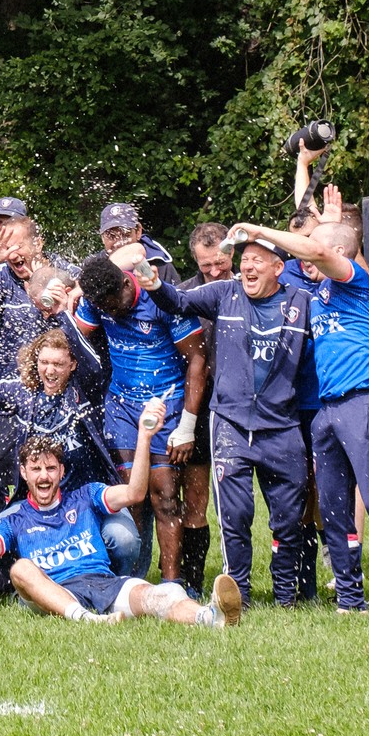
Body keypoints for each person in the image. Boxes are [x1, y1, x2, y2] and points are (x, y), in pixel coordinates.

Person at [220, 219, 369, 617]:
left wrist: (259, 232)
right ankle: (350, 600)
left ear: (337, 254)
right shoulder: (317, 294)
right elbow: (304, 254)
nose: (303, 253)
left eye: (313, 246)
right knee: (332, 509)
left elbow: (317, 250)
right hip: (327, 411)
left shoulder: (357, 282)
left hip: (366, 400)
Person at [0, 410, 244, 629]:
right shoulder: (14, 518)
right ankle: (85, 619)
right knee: (22, 568)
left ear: (61, 472)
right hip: (54, 590)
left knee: (157, 594)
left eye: (50, 468)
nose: (43, 476)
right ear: (24, 473)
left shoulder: (85, 495)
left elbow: (134, 493)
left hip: (103, 583)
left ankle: (209, 617)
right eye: (35, 469)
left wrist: (144, 436)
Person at [144, 230, 312, 608]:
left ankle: (286, 596)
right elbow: (179, 301)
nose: (248, 266)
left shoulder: (301, 302)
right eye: (245, 259)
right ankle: (239, 596)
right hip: (231, 426)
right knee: (235, 519)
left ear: (278, 268)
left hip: (283, 427)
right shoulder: (225, 293)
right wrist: (153, 283)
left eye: (258, 261)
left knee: (286, 521)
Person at [66, 241, 207, 583]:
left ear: (128, 284)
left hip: (166, 406)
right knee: (132, 499)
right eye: (104, 309)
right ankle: (132, 583)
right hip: (121, 408)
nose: (111, 313)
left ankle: (172, 583)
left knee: (166, 499)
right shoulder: (100, 300)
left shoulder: (161, 300)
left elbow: (198, 361)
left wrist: (187, 424)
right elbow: (76, 339)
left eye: (115, 306)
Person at [0, 330, 126, 572]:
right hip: (40, 501)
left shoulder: (87, 390)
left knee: (122, 539)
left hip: (87, 499)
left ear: (73, 364)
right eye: (44, 362)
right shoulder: (22, 392)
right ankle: (31, 579)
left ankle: (114, 578)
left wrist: (64, 311)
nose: (50, 370)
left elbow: (97, 366)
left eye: (58, 364)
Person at [0, 213, 98, 510]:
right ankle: (3, 544)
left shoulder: (65, 274)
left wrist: (75, 291)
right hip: (15, 396)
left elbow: (100, 281)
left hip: (66, 399)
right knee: (2, 479)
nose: (12, 254)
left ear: (38, 243)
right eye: (6, 247)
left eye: (17, 245)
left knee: (66, 477)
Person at [169, 222, 230, 596]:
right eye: (206, 265)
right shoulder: (184, 295)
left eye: (220, 263)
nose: (214, 271)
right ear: (195, 259)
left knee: (221, 502)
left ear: (232, 254)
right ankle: (186, 582)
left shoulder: (249, 287)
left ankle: (233, 576)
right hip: (193, 405)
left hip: (238, 406)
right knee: (183, 497)